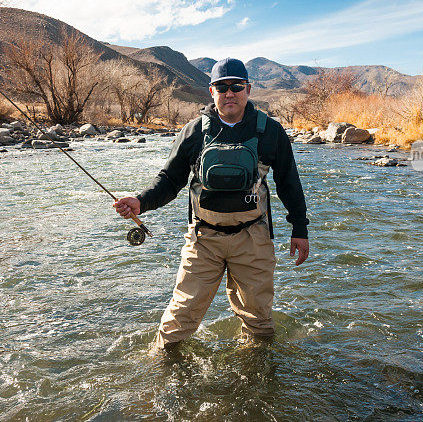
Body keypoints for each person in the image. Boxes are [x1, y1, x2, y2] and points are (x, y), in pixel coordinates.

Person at [113, 57, 310, 349]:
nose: (229, 93)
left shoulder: (271, 131)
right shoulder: (193, 132)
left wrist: (300, 229)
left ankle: (258, 379)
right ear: (212, 91)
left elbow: (289, 182)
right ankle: (160, 373)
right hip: (203, 239)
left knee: (260, 322)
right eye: (222, 87)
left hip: (253, 238)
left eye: (236, 86)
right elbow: (169, 180)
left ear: (249, 89)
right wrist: (141, 201)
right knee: (179, 319)